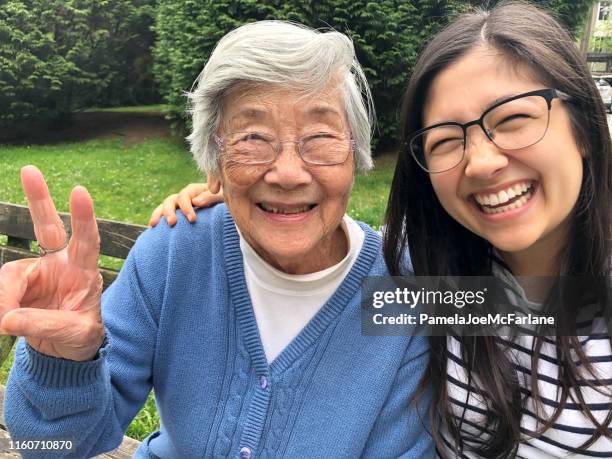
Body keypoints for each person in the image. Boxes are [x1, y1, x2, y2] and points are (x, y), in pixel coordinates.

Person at [151, 2, 612, 457]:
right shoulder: (423, 270)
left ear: (585, 128)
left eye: (513, 120)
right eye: (447, 139)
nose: (484, 162)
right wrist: (238, 189)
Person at [0, 22, 432, 458]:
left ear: (355, 157)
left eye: (320, 138)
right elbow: (51, 448)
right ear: (213, 166)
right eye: (252, 139)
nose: (287, 173)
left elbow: (500, 312)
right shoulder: (175, 253)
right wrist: (60, 364)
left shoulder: (410, 288)